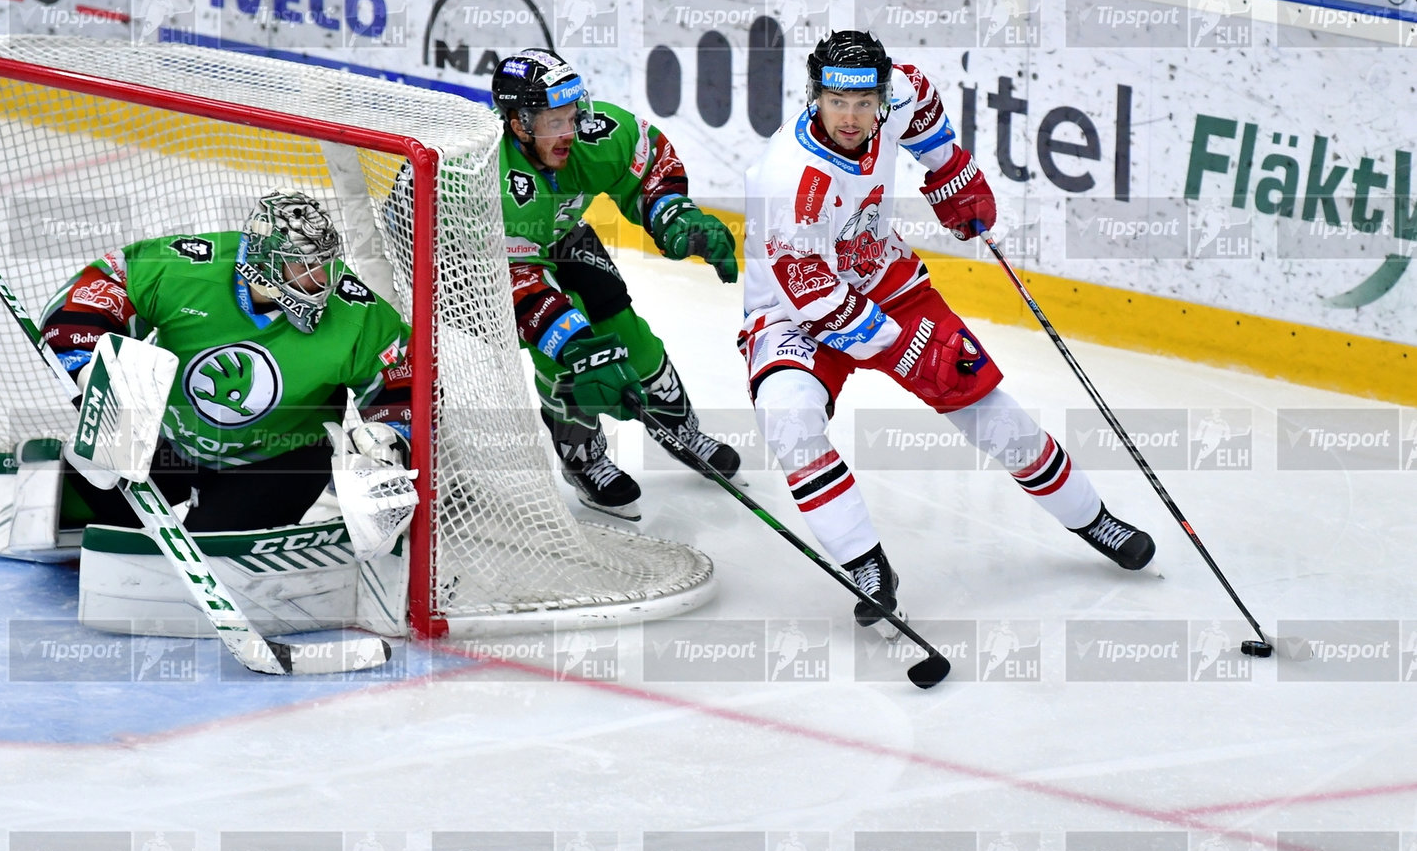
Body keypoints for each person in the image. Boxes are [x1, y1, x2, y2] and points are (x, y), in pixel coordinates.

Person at [739, 31, 1154, 632]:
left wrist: (951, 173)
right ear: (815, 97)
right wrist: (892, 344)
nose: (851, 118)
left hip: (884, 279)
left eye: (863, 103)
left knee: (986, 407)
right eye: (836, 103)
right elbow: (813, 295)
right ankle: (866, 565)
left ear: (880, 95)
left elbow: (924, 103)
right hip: (791, 310)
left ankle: (1092, 518)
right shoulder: (787, 181)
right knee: (788, 418)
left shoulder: (897, 94)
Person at [39, 188, 413, 534]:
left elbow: (403, 376)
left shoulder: (356, 315)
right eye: (302, 267)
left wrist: (392, 436)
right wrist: (92, 373)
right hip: (168, 435)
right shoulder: (188, 269)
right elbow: (93, 290)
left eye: (325, 265)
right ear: (262, 262)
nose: (321, 281)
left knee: (216, 555)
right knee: (70, 507)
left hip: (280, 459)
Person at [489, 47, 741, 520]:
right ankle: (583, 458)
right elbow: (518, 280)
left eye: (572, 114)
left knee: (628, 332)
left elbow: (648, 165)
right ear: (519, 124)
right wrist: (571, 340)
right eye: (552, 122)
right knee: (566, 356)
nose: (569, 132)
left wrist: (675, 217)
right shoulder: (492, 178)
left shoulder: (593, 135)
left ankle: (679, 428)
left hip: (561, 236)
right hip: (481, 264)